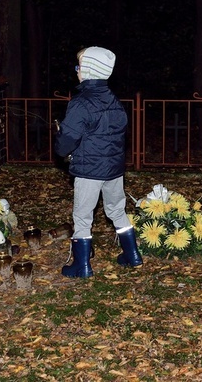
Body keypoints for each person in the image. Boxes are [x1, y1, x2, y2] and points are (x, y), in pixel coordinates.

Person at [54, 46, 142, 278]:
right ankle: (132, 254)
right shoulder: (113, 100)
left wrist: (61, 146)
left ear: (89, 71)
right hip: (113, 170)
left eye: (79, 67)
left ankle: (81, 266)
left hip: (89, 171)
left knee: (82, 216)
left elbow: (68, 137)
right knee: (116, 210)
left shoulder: (81, 103)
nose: (76, 71)